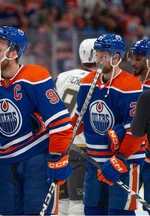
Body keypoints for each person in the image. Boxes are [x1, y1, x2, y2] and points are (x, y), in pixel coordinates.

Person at [0, 26, 73, 215]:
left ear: (14, 52)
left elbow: (60, 123)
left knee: (35, 212)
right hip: (6, 162)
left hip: (36, 158)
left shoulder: (35, 77)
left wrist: (59, 157)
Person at [72, 33, 145, 215]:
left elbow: (136, 131)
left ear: (116, 58)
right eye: (97, 55)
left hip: (125, 162)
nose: (98, 60)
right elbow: (78, 121)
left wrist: (120, 158)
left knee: (120, 212)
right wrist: (59, 139)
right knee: (92, 210)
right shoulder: (87, 82)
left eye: (103, 56)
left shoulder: (131, 86)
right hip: (94, 159)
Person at [55, 38, 97, 215]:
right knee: (78, 202)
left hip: (60, 147)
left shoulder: (62, 76)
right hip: (83, 148)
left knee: (62, 200)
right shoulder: (97, 80)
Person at [129, 39, 150, 215]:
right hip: (131, 155)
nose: (133, 62)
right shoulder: (128, 84)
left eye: (138, 58)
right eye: (132, 58)